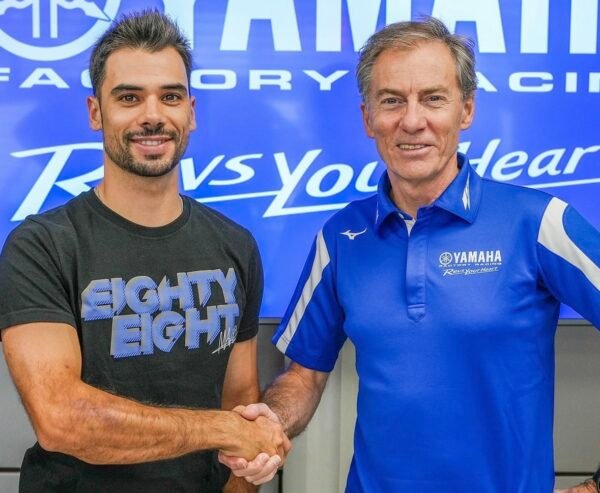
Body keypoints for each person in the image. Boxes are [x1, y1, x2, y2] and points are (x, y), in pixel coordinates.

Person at [220, 17, 600, 493]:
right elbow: (304, 376)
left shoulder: (538, 222)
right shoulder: (341, 236)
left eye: (433, 98)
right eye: (392, 100)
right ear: (368, 118)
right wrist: (269, 426)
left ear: (466, 110)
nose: (412, 121)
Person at [0, 11, 290, 493]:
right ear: (96, 112)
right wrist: (223, 430)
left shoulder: (234, 246)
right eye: (129, 97)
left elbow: (240, 405)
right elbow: (61, 419)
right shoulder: (42, 246)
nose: (152, 115)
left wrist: (246, 458)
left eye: (170, 97)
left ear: (191, 112)